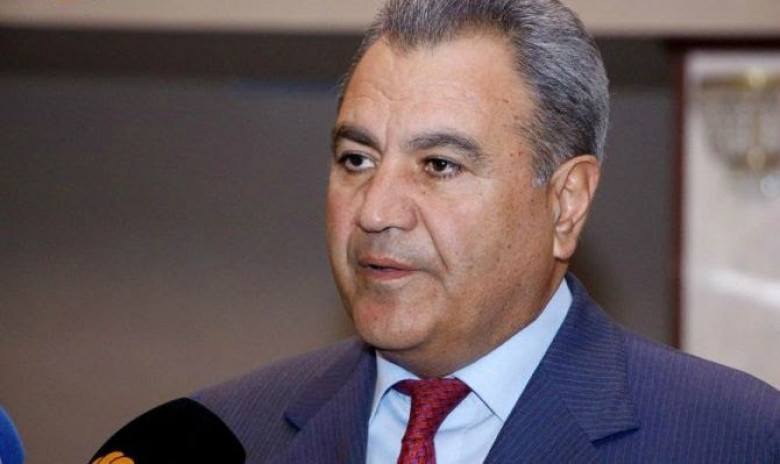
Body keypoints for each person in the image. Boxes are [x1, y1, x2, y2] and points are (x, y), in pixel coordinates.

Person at [94, 0, 780, 462]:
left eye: (439, 165)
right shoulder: (217, 439)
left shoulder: (736, 440)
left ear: (566, 203)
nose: (376, 211)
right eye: (356, 159)